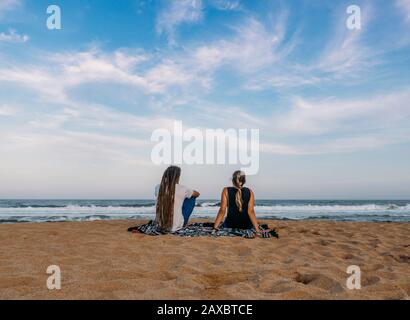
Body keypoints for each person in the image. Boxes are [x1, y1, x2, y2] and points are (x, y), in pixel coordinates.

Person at [213, 170, 261, 235]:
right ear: (244, 181)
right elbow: (251, 212)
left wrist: (215, 227)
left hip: (230, 225)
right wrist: (257, 229)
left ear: (233, 180)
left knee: (224, 222)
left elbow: (222, 211)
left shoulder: (226, 190)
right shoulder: (250, 191)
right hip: (246, 226)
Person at [155, 166, 200, 232]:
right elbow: (197, 194)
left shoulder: (158, 187)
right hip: (176, 227)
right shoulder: (182, 188)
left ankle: (163, 221)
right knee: (191, 198)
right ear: (177, 177)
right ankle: (182, 223)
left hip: (160, 225)